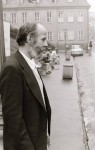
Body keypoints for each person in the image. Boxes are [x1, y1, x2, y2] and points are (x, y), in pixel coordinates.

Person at [0, 22, 51, 150]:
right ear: (29, 39)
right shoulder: (12, 68)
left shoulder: (29, 64)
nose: (46, 44)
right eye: (43, 39)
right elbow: (13, 119)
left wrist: (44, 134)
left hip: (36, 140)